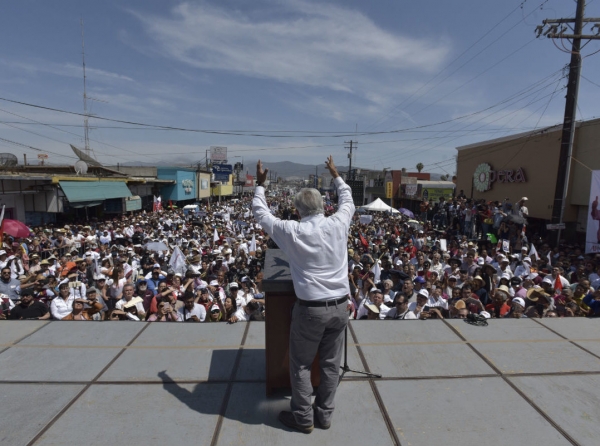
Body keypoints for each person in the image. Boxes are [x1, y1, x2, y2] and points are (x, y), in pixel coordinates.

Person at [253, 156, 354, 433]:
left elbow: (261, 215)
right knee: (331, 365)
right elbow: (348, 201)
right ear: (323, 206)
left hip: (310, 310)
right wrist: (336, 175)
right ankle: (324, 415)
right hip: (340, 308)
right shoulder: (338, 223)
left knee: (301, 365)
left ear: (297, 211)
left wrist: (260, 186)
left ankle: (303, 418)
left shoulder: (293, 231)